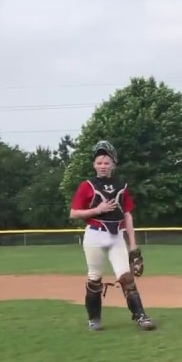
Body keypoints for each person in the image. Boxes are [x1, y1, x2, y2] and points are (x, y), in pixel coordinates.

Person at [68, 140, 156, 331]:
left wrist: (133, 245)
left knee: (127, 278)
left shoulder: (121, 185)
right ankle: (94, 318)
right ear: (94, 164)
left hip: (116, 236)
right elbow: (74, 213)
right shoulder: (87, 185)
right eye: (99, 162)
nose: (102, 166)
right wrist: (97, 210)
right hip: (94, 236)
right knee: (94, 278)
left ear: (113, 164)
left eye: (106, 162)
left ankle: (140, 316)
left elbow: (127, 215)